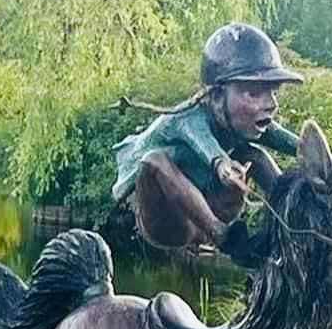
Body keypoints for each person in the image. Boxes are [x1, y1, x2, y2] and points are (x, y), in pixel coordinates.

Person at [111, 23, 303, 264]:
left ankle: (295, 211)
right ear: (216, 96)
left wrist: (324, 158)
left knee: (252, 152)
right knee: (154, 161)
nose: (271, 104)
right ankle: (223, 237)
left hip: (213, 205)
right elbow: (208, 150)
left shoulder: (241, 121)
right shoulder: (188, 120)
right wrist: (224, 166)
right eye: (254, 94)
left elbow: (291, 142)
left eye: (273, 93)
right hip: (171, 222)